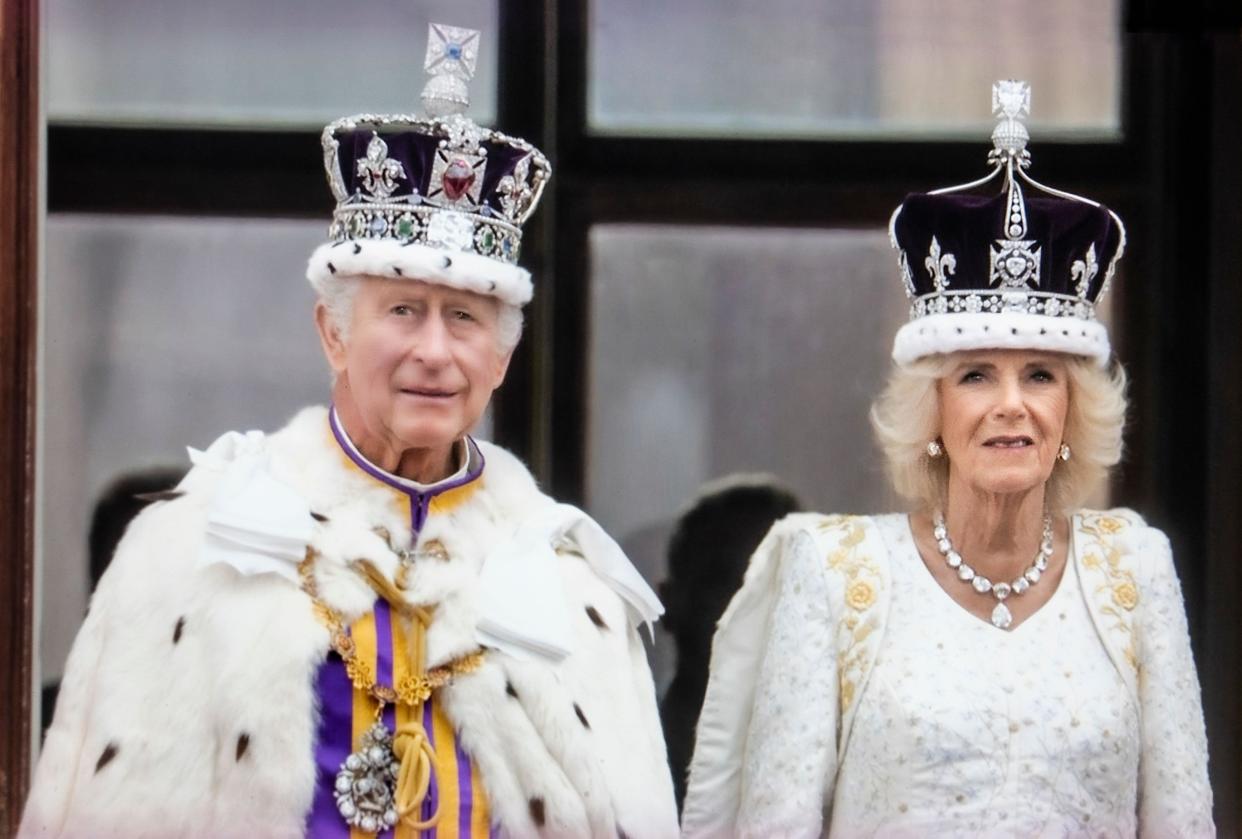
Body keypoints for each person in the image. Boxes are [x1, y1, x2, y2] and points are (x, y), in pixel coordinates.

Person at [22, 24, 677, 839]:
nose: (433, 351)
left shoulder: (572, 584)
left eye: (465, 318)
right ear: (333, 334)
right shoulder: (192, 547)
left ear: (502, 356)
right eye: (401, 310)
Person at [681, 81, 1214, 837]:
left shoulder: (1137, 571)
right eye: (974, 375)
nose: (1011, 403)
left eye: (1039, 375)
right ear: (932, 410)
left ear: (1071, 412)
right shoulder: (834, 573)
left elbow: (1182, 820)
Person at [657, 474, 801, 811]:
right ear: (670, 602)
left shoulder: (834, 778)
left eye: (785, 583)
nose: (759, 610)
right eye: (728, 582)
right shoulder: (616, 770)